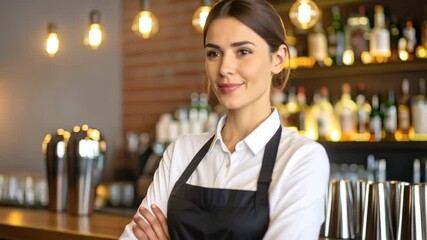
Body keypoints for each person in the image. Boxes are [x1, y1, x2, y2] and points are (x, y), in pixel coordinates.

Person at [120, 0, 329, 239]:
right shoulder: (181, 151)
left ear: (278, 58)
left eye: (243, 51)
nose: (224, 68)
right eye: (214, 53)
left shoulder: (302, 159)